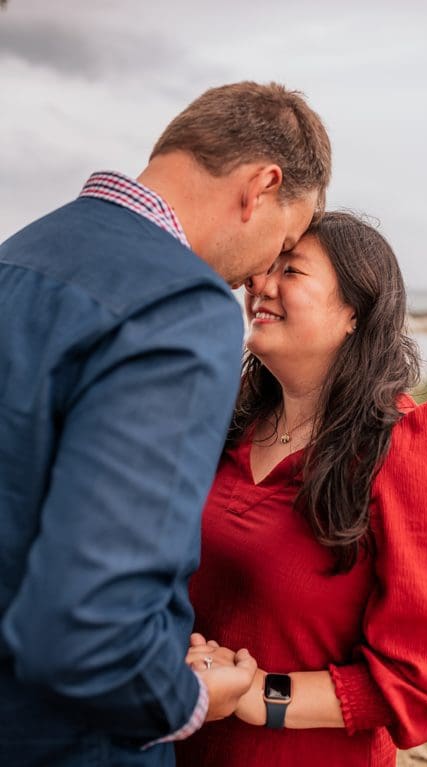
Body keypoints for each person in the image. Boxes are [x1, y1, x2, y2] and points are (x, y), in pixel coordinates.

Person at [0, 81, 331, 765]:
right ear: (261, 187)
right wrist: (186, 693)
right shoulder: (182, 309)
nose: (267, 268)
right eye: (287, 238)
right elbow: (85, 633)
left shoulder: (18, 254)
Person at [174, 212, 427, 767]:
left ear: (352, 314)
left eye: (290, 272)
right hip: (178, 741)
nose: (259, 284)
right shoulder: (227, 420)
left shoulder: (406, 447)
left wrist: (261, 695)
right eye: (264, 268)